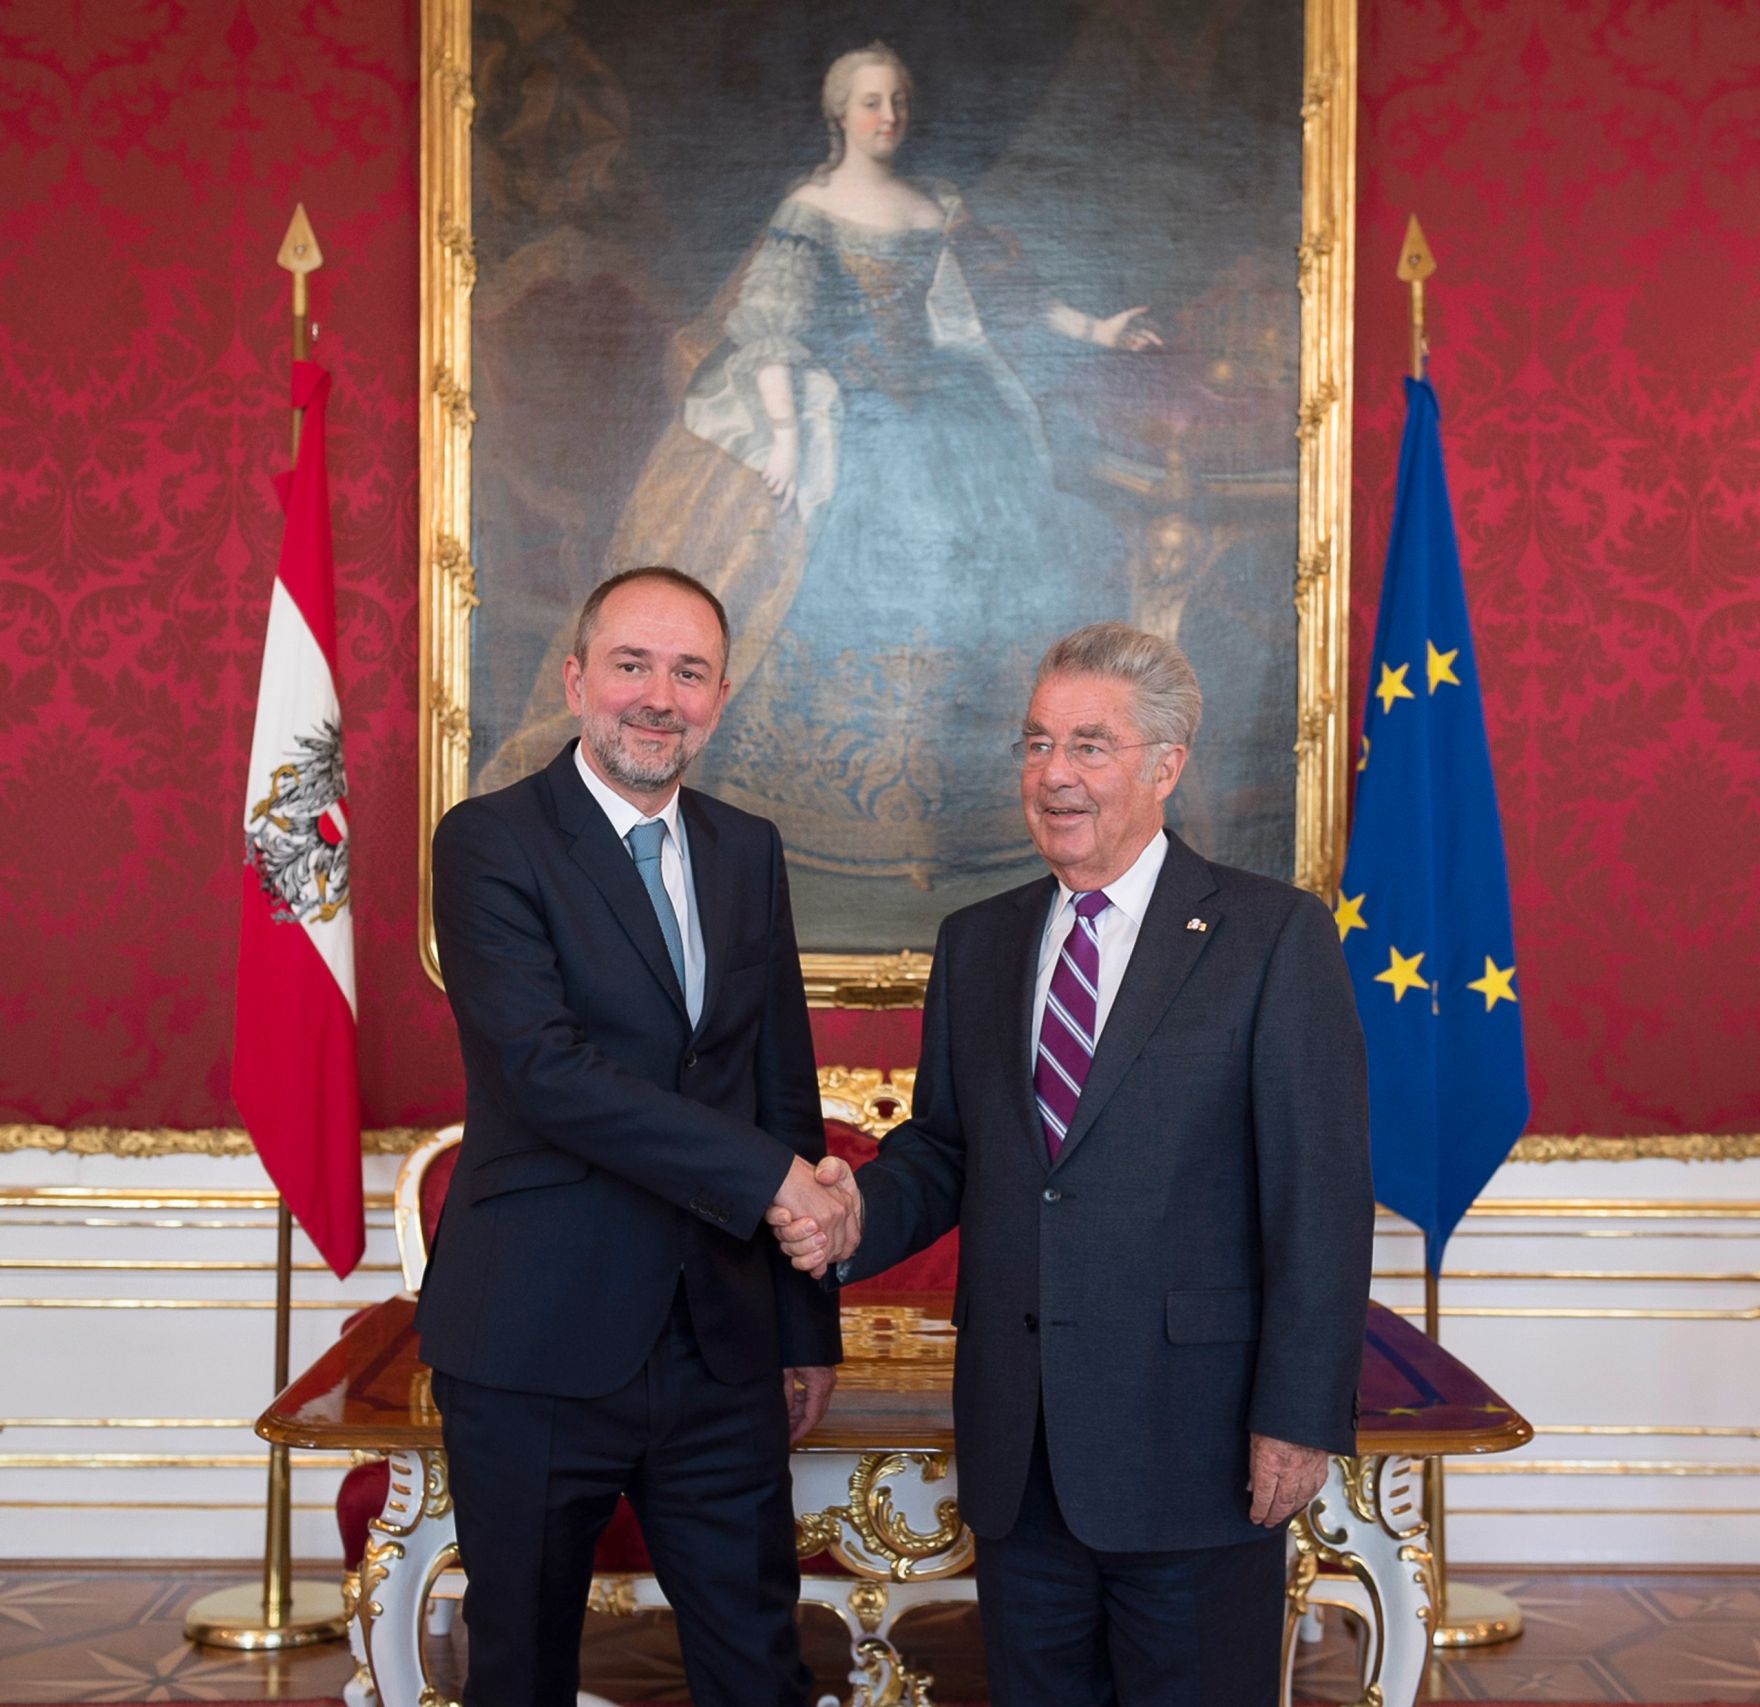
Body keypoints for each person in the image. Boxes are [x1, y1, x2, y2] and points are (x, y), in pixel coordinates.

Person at [770, 622, 1375, 1707]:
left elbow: (1317, 1199)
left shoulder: (1270, 936)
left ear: (1164, 766)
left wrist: (1297, 1411)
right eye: (1036, 744)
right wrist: (855, 1210)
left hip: (1196, 1444)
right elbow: (949, 1151)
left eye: (1089, 746)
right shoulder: (980, 940)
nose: (1053, 775)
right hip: (1021, 1447)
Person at [485, 42, 1161, 896]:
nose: (888, 118)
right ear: (840, 114)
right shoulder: (810, 206)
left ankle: (960, 805)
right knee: (799, 558)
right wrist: (789, 439)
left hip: (947, 416)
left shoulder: (936, 204)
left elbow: (1005, 297)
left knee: (981, 565)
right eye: (872, 102)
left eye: (898, 103)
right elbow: (772, 325)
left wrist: (1099, 332)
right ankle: (819, 808)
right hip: (837, 411)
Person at [418, 566, 853, 1707]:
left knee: (760, 1665)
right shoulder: (489, 843)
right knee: (519, 1668)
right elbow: (547, 1075)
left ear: (716, 697)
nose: (658, 697)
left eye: (689, 672)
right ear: (576, 681)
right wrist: (772, 1183)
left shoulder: (744, 849)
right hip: (533, 1339)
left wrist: (802, 1321)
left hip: (718, 1342)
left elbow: (780, 1082)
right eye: (631, 665)